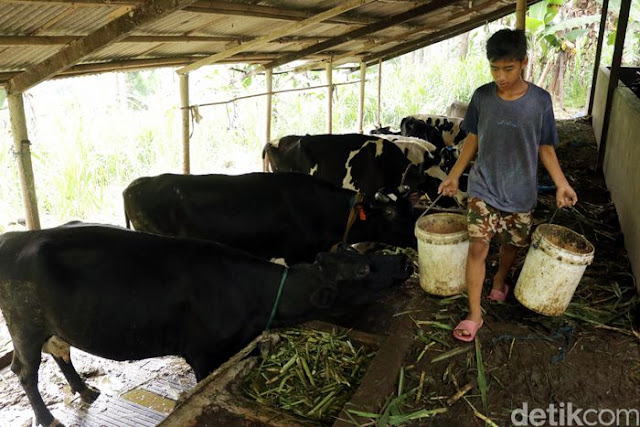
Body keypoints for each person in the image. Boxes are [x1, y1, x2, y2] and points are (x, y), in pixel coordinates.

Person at [438, 28, 578, 342]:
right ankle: (475, 314)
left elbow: (546, 147)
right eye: (494, 69)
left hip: (521, 191)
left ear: (524, 62)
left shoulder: (540, 101)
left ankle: (500, 278)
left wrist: (561, 184)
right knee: (478, 246)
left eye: (508, 69)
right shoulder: (482, 96)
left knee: (512, 243)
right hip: (483, 187)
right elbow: (472, 139)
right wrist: (455, 175)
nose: (500, 76)